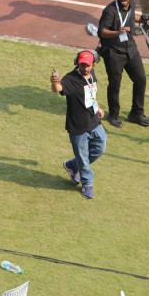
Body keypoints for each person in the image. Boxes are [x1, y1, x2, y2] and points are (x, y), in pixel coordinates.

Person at [50, 51, 107, 199]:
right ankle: (87, 183)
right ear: (77, 62)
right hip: (77, 126)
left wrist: (98, 107)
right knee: (83, 157)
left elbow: (92, 93)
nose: (85, 68)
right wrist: (54, 82)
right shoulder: (71, 79)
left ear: (93, 64)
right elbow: (58, 89)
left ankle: (72, 165)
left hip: (94, 120)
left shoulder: (91, 73)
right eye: (82, 65)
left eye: (87, 65)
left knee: (100, 147)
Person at [97, 0, 149, 127]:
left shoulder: (132, 5)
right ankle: (114, 115)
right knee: (115, 85)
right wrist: (117, 32)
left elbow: (132, 17)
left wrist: (145, 19)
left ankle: (136, 113)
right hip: (113, 52)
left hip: (130, 49)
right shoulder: (110, 11)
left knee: (141, 79)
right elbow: (101, 32)